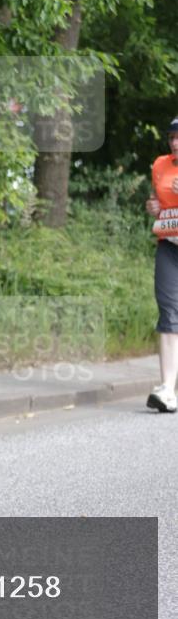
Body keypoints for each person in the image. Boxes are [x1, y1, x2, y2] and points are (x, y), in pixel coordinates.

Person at [144, 116, 178, 413]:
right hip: (169, 245)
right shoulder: (160, 165)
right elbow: (157, 201)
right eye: (171, 138)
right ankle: (167, 389)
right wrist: (153, 205)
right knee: (168, 312)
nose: (175, 143)